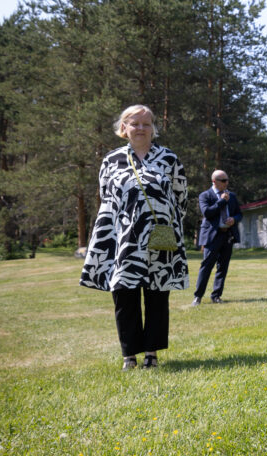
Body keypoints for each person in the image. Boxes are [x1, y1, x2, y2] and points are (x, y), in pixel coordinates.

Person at [81, 105, 188, 370]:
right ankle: (129, 355)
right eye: (134, 123)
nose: (140, 128)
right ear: (124, 127)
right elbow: (107, 199)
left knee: (156, 296)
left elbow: (181, 197)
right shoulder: (111, 159)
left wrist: (168, 224)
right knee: (124, 295)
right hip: (123, 241)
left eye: (146, 123)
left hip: (159, 239)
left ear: (153, 128)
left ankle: (151, 353)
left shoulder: (169, 158)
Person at [191, 169, 242, 305]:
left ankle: (216, 296)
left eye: (227, 180)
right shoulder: (205, 195)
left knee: (222, 267)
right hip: (212, 236)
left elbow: (239, 213)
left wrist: (234, 220)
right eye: (224, 180)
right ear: (214, 181)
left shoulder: (232, 195)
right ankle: (198, 296)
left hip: (227, 235)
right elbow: (207, 213)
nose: (227, 183)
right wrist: (221, 201)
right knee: (206, 266)